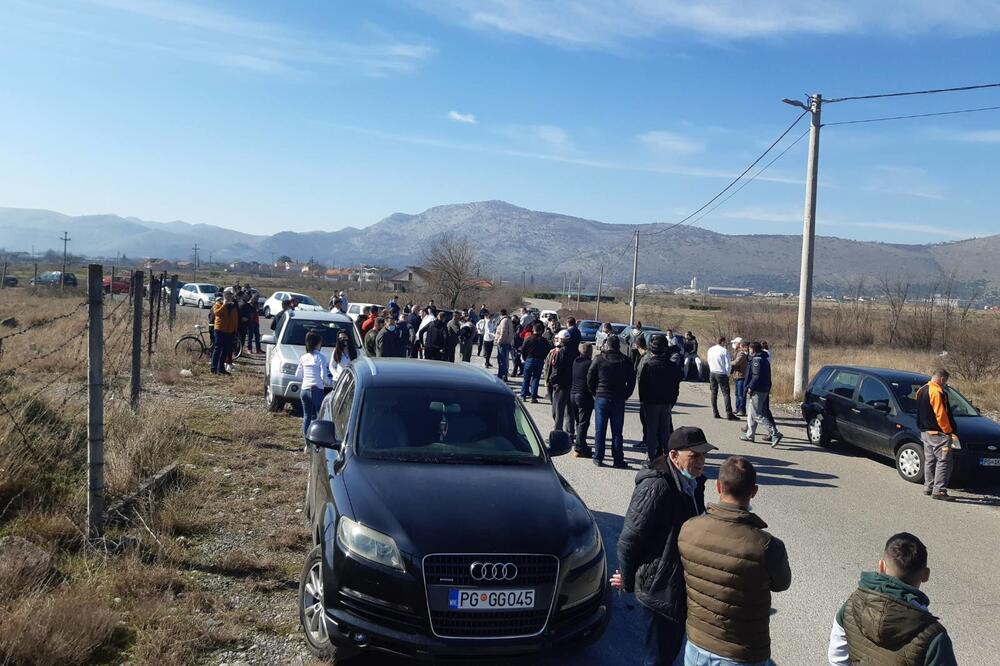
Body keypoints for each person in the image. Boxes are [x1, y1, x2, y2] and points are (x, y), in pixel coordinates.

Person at [611, 426, 716, 666]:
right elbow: (630, 539)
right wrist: (627, 579)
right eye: (694, 456)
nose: (701, 461)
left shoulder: (694, 482)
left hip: (679, 583)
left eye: (703, 455)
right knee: (658, 659)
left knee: (669, 654)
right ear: (674, 455)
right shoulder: (656, 486)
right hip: (660, 588)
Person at [677, 456, 791, 666]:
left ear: (718, 486)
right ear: (754, 491)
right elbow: (782, 583)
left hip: (697, 643)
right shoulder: (767, 546)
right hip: (741, 653)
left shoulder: (689, 529)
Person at [828, 532, 957, 666]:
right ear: (926, 575)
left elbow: (837, 657)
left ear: (882, 567)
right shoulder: (933, 638)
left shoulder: (853, 603)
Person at [587, 335, 635, 468]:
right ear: (619, 346)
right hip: (618, 398)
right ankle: (618, 459)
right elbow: (631, 380)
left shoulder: (599, 359)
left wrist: (594, 392)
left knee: (600, 430)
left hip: (602, 396)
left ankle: (598, 457)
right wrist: (626, 394)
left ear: (607, 345)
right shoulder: (625, 360)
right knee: (617, 432)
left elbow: (590, 377)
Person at [637, 335, 682, 464]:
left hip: (651, 403)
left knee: (652, 431)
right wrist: (672, 401)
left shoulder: (648, 365)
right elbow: (676, 386)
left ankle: (651, 458)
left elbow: (642, 386)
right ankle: (668, 459)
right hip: (666, 402)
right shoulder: (671, 366)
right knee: (665, 432)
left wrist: (643, 402)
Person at [916, 369, 958, 501]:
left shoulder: (921, 390)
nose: (945, 384)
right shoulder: (937, 392)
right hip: (939, 433)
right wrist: (948, 431)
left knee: (930, 460)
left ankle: (928, 486)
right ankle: (939, 490)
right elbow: (941, 414)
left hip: (925, 432)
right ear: (942, 379)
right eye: (945, 382)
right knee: (944, 461)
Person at [295, 332, 334, 450]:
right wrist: (333, 383)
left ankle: (306, 444)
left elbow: (297, 375)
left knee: (306, 417)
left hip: (305, 390)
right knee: (320, 417)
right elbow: (324, 377)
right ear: (318, 343)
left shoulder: (303, 357)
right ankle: (318, 444)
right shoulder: (321, 357)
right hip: (316, 390)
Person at [740, 342, 783, 447]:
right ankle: (750, 435)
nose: (749, 351)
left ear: (753, 350)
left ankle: (774, 433)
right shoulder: (765, 359)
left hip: (757, 390)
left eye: (750, 349)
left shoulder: (756, 361)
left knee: (757, 414)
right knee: (751, 412)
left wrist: (750, 387)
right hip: (763, 389)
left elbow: (756, 376)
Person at [548, 330, 576, 439]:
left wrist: (552, 379)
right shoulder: (575, 351)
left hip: (561, 384)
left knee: (558, 410)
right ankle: (570, 432)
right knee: (570, 410)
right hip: (572, 383)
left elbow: (557, 369)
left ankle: (557, 433)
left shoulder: (561, 352)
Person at [570, 343, 595, 458]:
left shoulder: (576, 361)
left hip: (573, 394)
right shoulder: (589, 364)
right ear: (589, 352)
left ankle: (581, 443)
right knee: (583, 422)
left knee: (578, 422)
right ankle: (579, 447)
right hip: (583, 395)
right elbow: (591, 379)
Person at [520, 322, 551, 403]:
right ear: (541, 331)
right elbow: (548, 351)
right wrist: (543, 358)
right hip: (539, 360)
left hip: (529, 359)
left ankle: (523, 395)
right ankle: (533, 397)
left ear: (533, 329)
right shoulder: (544, 341)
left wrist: (525, 358)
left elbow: (523, 349)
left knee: (526, 378)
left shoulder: (529, 339)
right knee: (536, 379)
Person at [707, 336, 737, 420]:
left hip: (713, 372)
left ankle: (715, 412)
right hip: (721, 373)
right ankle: (729, 413)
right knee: (726, 394)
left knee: (713, 393)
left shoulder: (711, 349)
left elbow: (709, 360)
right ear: (723, 342)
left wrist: (711, 369)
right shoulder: (724, 351)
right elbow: (728, 364)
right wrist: (727, 373)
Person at [211, 287, 239, 375]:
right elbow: (217, 313)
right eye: (227, 295)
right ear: (224, 295)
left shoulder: (233, 305)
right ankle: (214, 368)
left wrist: (235, 330)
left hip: (230, 331)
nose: (229, 297)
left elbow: (235, 318)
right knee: (218, 348)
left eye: (230, 295)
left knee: (226, 350)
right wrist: (224, 304)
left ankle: (221, 368)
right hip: (220, 330)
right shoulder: (218, 304)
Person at [730, 339, 748, 417]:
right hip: (737, 375)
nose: (733, 344)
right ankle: (737, 408)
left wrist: (728, 362)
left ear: (739, 344)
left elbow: (736, 362)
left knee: (741, 394)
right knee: (737, 393)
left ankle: (742, 410)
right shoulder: (737, 352)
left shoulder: (741, 354)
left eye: (735, 343)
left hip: (741, 376)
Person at [495, 308, 514, 380]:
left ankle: (502, 376)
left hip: (503, 343)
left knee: (502, 360)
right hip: (507, 342)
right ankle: (502, 375)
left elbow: (503, 333)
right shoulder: (509, 320)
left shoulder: (504, 321)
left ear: (501, 314)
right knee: (504, 360)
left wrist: (499, 342)